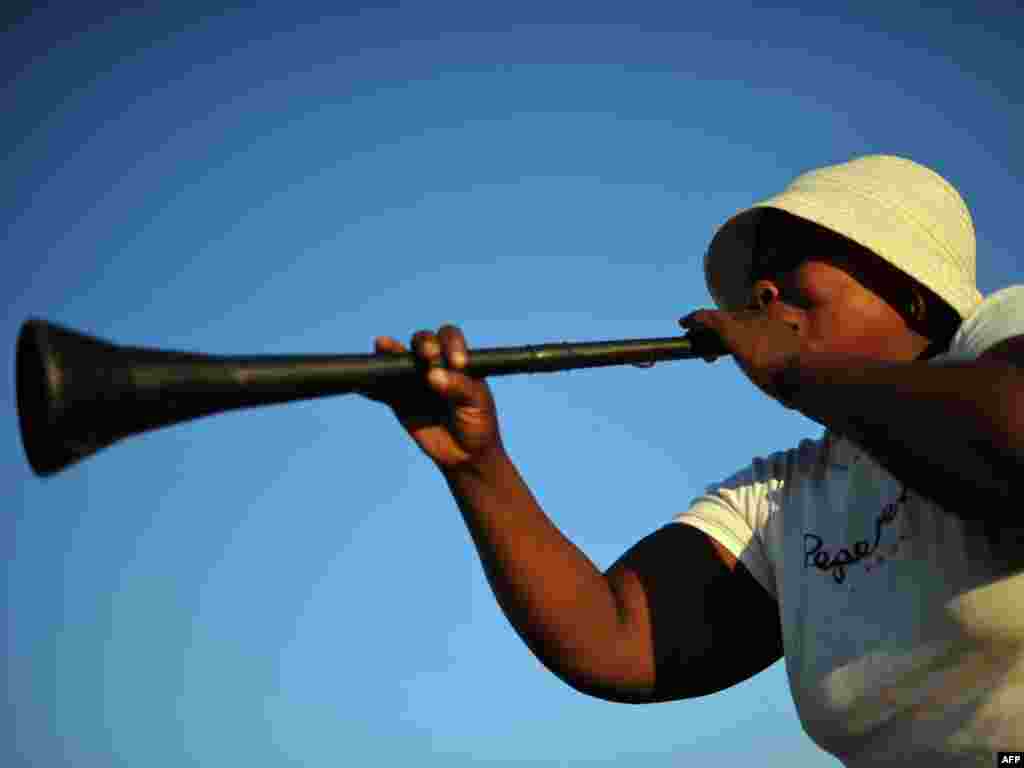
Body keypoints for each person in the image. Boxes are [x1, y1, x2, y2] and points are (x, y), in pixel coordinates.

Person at [360, 155, 1024, 766]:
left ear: (911, 291)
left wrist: (794, 367)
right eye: (759, 274)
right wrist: (479, 464)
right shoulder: (789, 492)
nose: (764, 288)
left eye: (795, 257)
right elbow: (619, 636)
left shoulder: (1000, 332)